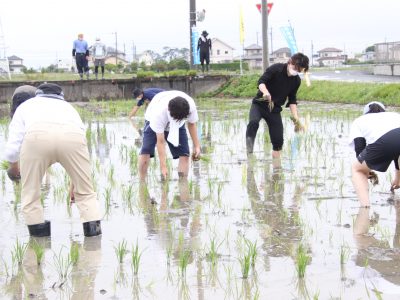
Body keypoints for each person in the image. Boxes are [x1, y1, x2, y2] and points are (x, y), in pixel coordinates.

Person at [4, 83, 102, 237]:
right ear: (61, 96)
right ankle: (94, 245)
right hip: (72, 138)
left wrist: (14, 167)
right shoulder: (70, 109)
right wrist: (75, 182)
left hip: (37, 139)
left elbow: (11, 150)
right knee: (87, 194)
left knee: (31, 194)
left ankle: (39, 246)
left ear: (38, 94)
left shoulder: (26, 106)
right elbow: (80, 150)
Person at [245, 52, 309, 158]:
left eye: (299, 70)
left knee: (278, 141)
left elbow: (292, 100)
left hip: (274, 110)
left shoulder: (296, 81)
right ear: (290, 62)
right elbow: (261, 82)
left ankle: (277, 170)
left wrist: (296, 118)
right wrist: (265, 92)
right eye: (295, 68)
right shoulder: (276, 69)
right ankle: (249, 154)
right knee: (253, 123)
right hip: (259, 105)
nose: (296, 71)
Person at [138, 90, 201, 181]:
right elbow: (160, 141)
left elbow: (191, 124)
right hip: (153, 116)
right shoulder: (158, 114)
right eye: (175, 119)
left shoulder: (190, 106)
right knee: (146, 150)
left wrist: (197, 146)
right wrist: (163, 166)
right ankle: (142, 182)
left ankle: (183, 183)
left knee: (185, 154)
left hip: (178, 118)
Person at [349, 101, 400, 207]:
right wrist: (398, 178)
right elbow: (397, 149)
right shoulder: (394, 115)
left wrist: (367, 171)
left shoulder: (359, 121)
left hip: (388, 141)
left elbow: (359, 148)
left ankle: (365, 208)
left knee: (357, 169)